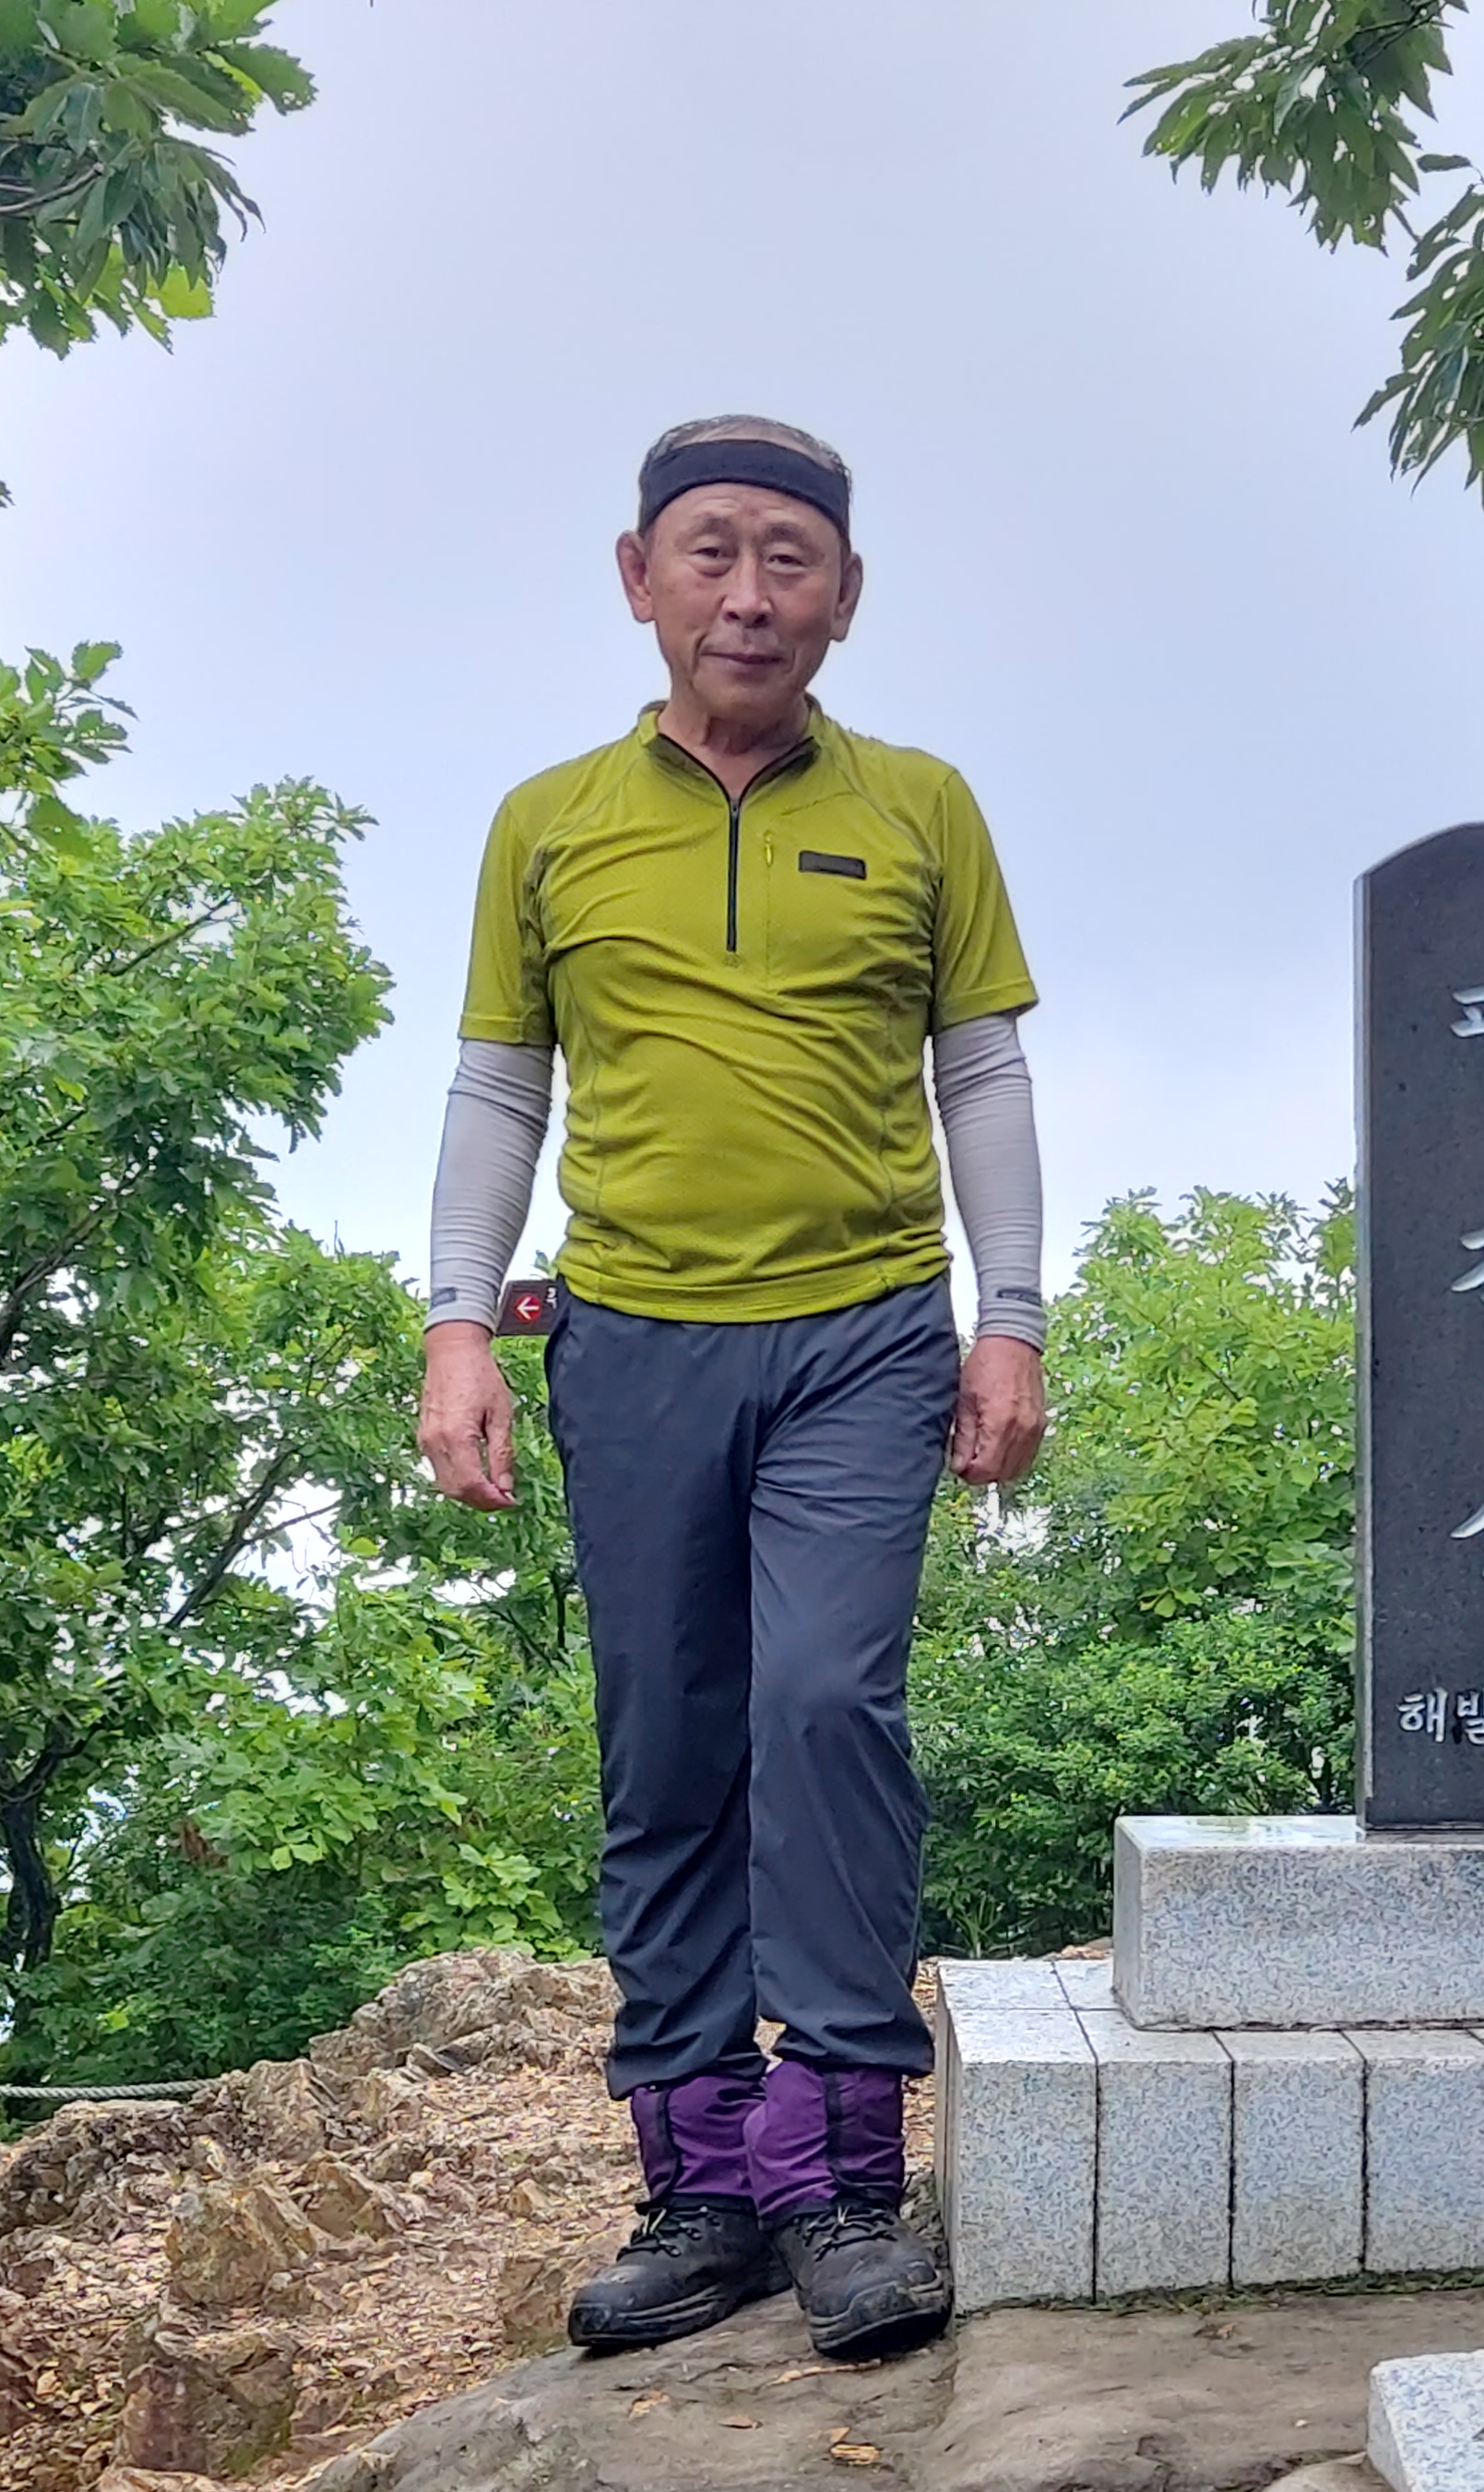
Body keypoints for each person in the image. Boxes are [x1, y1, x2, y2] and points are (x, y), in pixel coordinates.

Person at [417, 414, 1047, 2361]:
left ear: (847, 595)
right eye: (712, 552)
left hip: (865, 1332)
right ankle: (699, 2185)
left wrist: (1012, 1316)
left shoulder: (923, 806)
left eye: (792, 558)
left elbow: (981, 1070)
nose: (750, 594)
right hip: (633, 1339)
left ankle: (841, 2177)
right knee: (668, 1742)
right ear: (640, 577)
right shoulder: (548, 822)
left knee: (825, 1706)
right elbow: (502, 1086)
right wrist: (456, 1324)